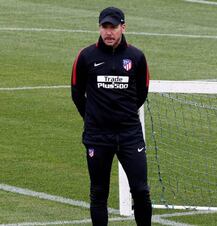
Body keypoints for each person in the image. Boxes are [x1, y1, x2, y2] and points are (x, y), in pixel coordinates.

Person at [71, 6, 152, 226]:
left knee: (141, 190)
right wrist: (93, 118)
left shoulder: (136, 57)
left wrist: (124, 115)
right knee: (98, 193)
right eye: (104, 27)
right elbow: (77, 92)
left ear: (123, 27)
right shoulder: (86, 56)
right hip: (98, 136)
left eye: (113, 27)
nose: (108, 32)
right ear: (99, 28)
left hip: (129, 135)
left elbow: (142, 92)